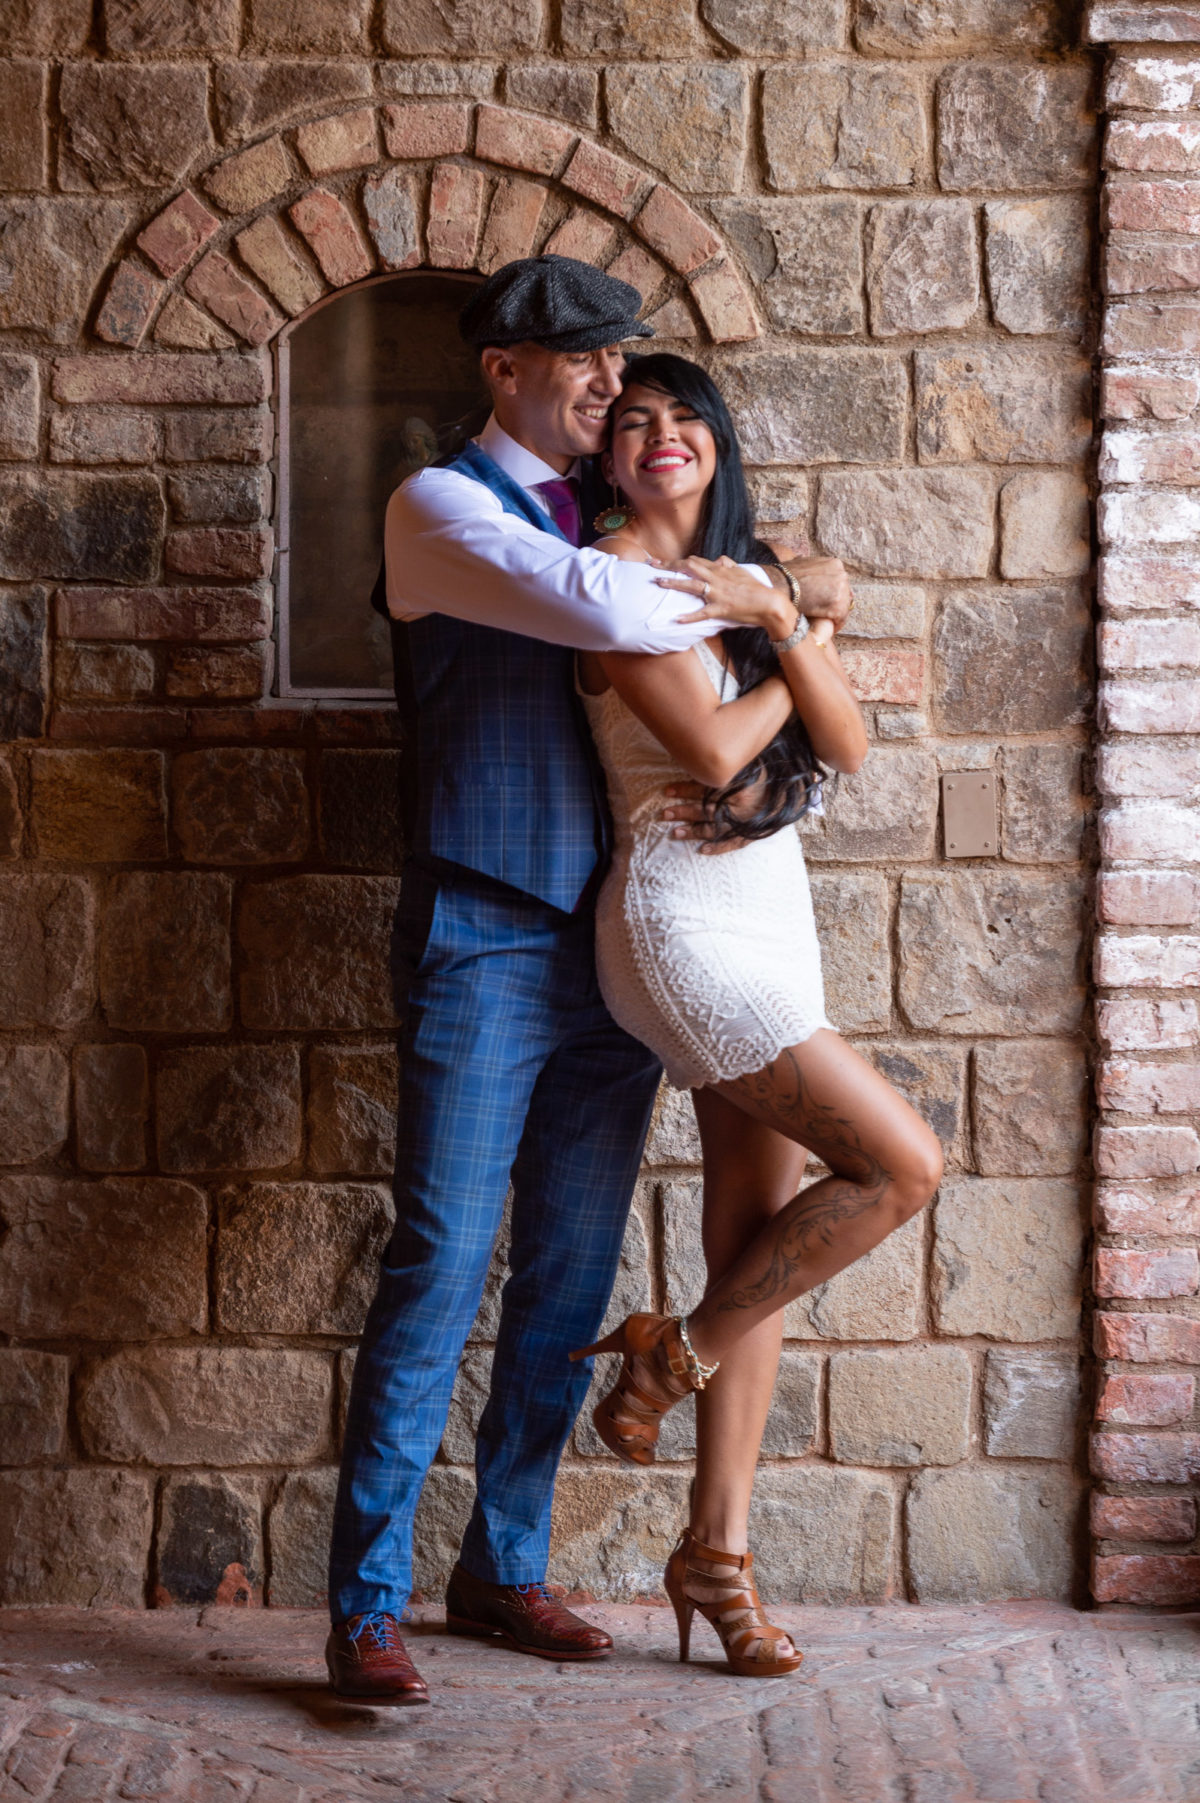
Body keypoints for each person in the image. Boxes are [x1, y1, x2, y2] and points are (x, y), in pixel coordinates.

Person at [325, 256, 852, 1704]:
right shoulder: (442, 510)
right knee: (439, 1261)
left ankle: (504, 1569)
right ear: (504, 369)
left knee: (567, 1276)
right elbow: (613, 616)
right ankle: (366, 1603)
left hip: (610, 947)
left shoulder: (612, 520)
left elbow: (678, 612)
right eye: (585, 362)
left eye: (622, 362)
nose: (614, 385)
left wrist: (771, 589)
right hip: (486, 931)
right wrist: (795, 591)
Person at [569, 353, 944, 1678]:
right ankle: (675, 1354)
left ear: (718, 444)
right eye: (632, 423)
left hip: (768, 912)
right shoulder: (612, 582)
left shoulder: (748, 569)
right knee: (903, 1166)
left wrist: (782, 613)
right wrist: (793, 624)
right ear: (605, 458)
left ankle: (715, 1561)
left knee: (763, 1248)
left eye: (683, 419)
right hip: (679, 917)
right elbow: (721, 753)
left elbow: (845, 749)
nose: (660, 437)